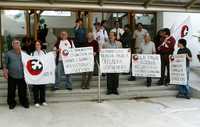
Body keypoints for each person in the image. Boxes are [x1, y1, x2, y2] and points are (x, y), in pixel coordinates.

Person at [3, 38, 29, 109]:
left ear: (20, 44)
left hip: (22, 75)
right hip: (12, 75)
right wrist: (5, 72)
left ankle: (23, 102)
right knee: (11, 91)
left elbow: (28, 63)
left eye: (17, 43)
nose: (16, 44)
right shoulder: (8, 53)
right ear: (12, 45)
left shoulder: (24, 53)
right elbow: (5, 64)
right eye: (15, 43)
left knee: (22, 90)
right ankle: (11, 103)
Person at [31, 40, 48, 107]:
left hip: (43, 73)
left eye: (38, 44)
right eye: (36, 45)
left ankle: (43, 100)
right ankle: (36, 101)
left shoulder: (44, 52)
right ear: (35, 46)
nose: (37, 46)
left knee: (42, 88)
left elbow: (47, 60)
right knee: (35, 88)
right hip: (35, 73)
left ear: (41, 45)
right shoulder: (32, 53)